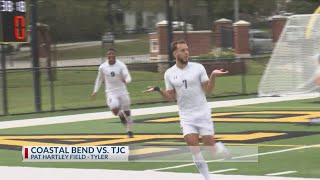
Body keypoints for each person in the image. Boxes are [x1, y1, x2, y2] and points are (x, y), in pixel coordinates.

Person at [144, 40, 230, 180]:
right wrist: (159, 89)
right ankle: (207, 178)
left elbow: (208, 90)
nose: (186, 52)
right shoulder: (169, 73)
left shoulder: (198, 68)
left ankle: (219, 147)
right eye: (183, 50)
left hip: (202, 113)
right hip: (186, 115)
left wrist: (213, 76)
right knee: (193, 146)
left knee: (211, 149)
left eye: (187, 49)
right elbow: (171, 97)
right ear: (175, 53)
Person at [91, 48, 134, 138]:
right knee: (114, 109)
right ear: (107, 56)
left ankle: (129, 130)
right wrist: (95, 91)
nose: (111, 56)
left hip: (122, 91)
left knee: (127, 110)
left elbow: (128, 76)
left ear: (115, 55)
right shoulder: (102, 67)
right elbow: (99, 79)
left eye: (112, 54)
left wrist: (126, 81)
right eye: (109, 54)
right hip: (111, 92)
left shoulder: (121, 65)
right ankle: (120, 115)